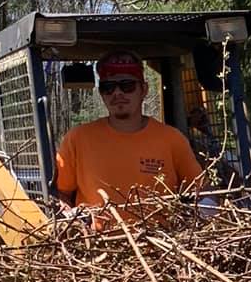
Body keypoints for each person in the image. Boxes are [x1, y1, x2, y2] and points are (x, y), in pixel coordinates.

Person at [53, 52, 204, 220]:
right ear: (102, 93)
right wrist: (68, 215)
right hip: (96, 245)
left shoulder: (172, 139)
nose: (117, 93)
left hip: (161, 243)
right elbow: (61, 193)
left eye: (127, 85)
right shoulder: (77, 139)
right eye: (108, 87)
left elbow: (202, 192)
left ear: (144, 90)